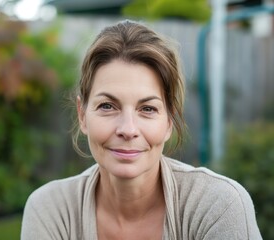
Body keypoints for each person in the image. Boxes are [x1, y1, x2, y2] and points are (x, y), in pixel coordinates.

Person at [21, 20, 262, 240]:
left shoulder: (218, 206)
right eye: (107, 106)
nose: (128, 129)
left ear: (170, 121)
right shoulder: (49, 211)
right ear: (82, 115)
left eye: (147, 108)